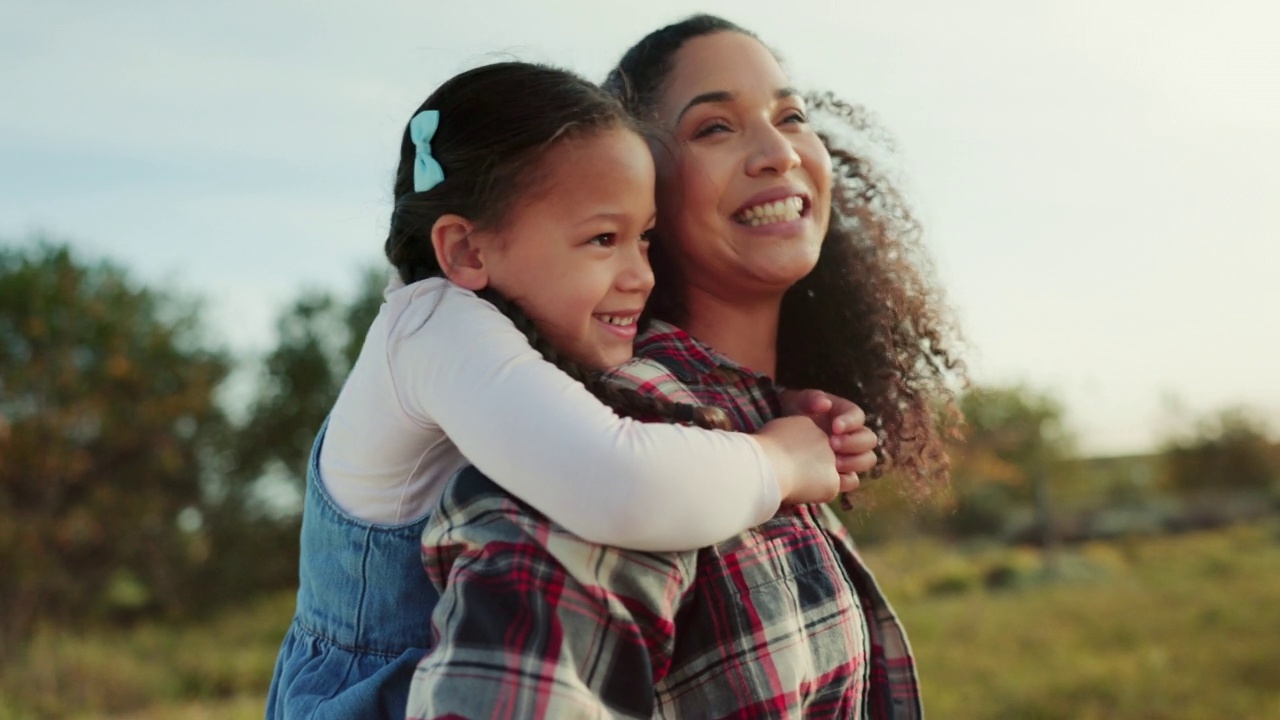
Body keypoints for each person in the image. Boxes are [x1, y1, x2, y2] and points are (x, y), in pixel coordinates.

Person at [265, 61, 875, 720]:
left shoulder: (500, 329)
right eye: (603, 239)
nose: (641, 274)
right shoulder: (432, 327)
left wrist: (758, 402)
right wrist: (779, 461)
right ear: (467, 251)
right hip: (379, 696)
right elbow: (621, 480)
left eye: (643, 239)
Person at [406, 14, 964, 720]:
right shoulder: (606, 437)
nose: (776, 153)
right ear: (635, 187)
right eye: (714, 128)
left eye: (790, 116)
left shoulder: (772, 423)